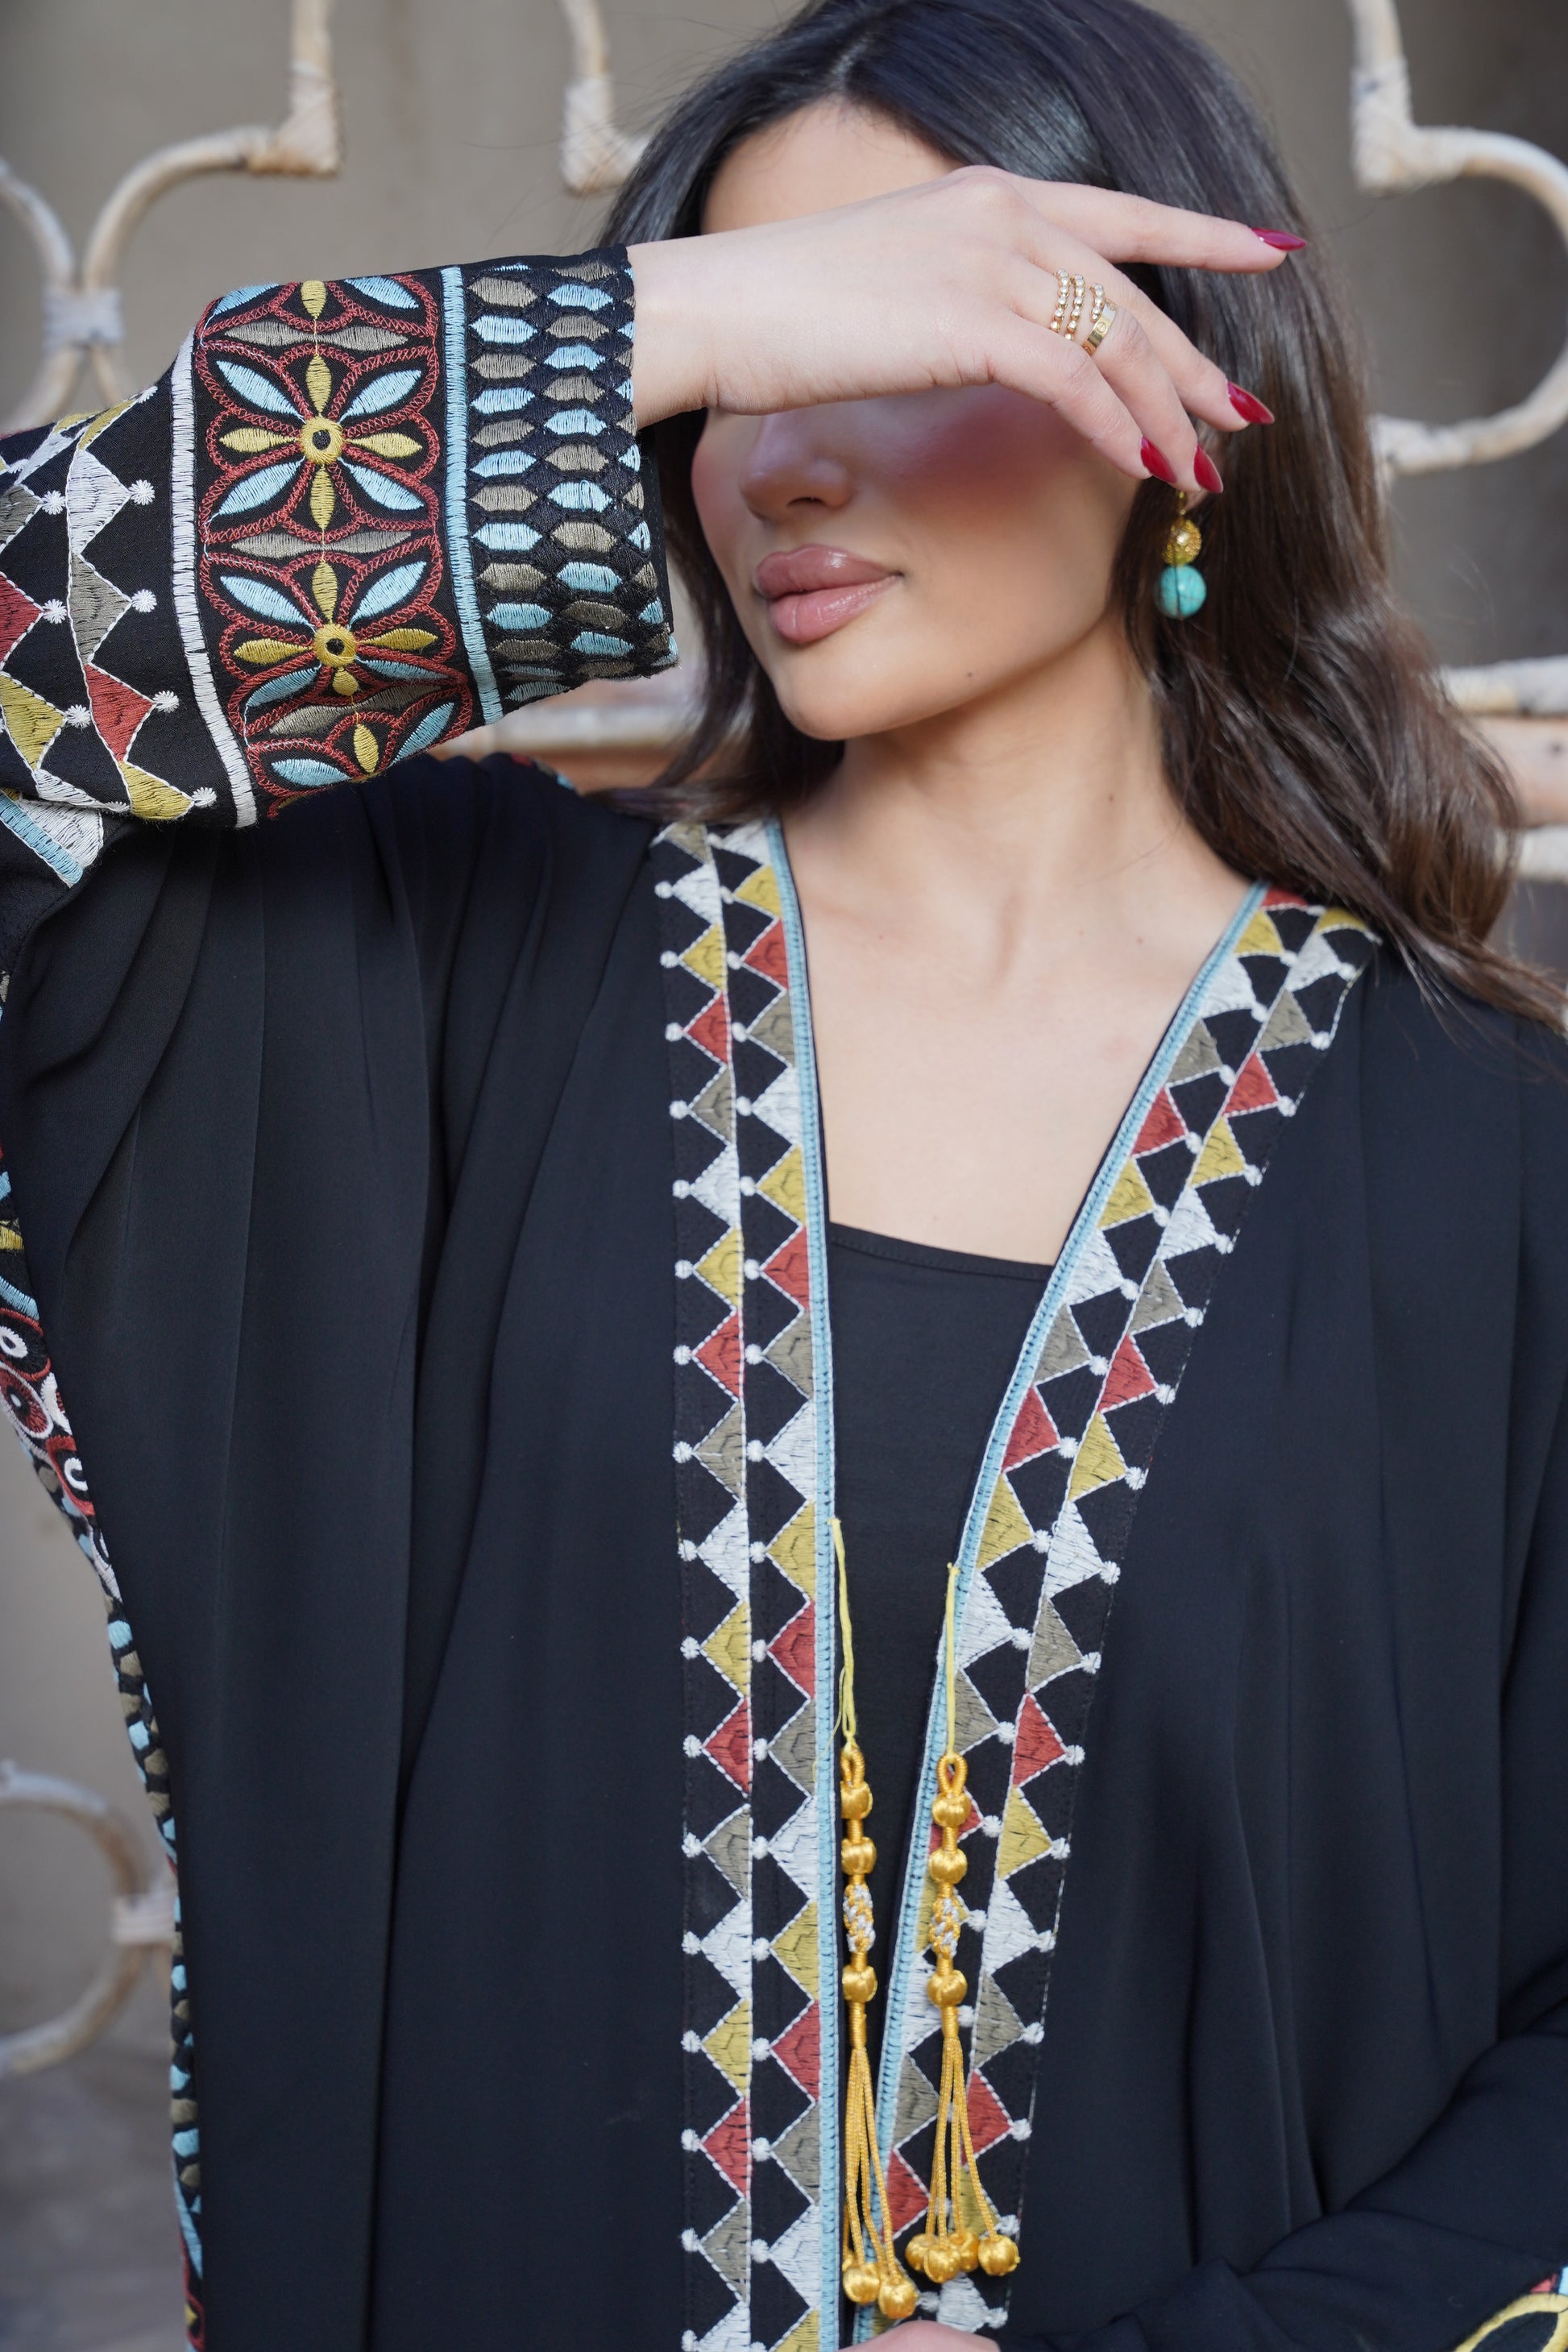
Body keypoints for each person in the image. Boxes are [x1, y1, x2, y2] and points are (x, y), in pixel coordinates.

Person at [1, 0, 1566, 2346]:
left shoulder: (1494, 1164)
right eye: (744, 373)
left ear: (1174, 398)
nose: (778, 463)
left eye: (902, 337)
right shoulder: (436, 975)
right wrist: (667, 322)